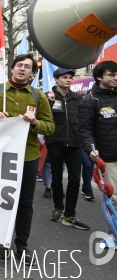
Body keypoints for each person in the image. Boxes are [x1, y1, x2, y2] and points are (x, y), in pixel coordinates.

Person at [0, 53, 54, 265]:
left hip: (28, 156)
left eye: (27, 67)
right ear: (12, 68)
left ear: (32, 73)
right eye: (19, 65)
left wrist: (35, 122)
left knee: (25, 203)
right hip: (0, 157)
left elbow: (50, 126)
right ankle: (2, 241)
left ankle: (22, 245)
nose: (22, 69)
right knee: (2, 200)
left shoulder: (39, 96)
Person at [45, 68, 89, 230]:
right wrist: (48, 102)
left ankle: (69, 214)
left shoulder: (78, 99)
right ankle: (58, 208)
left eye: (70, 77)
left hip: (75, 144)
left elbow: (84, 121)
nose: (69, 80)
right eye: (65, 77)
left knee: (75, 180)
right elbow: (42, 117)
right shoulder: (48, 98)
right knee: (56, 178)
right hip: (56, 142)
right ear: (56, 79)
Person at [79, 60, 117, 222]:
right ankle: (114, 235)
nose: (116, 77)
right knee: (113, 198)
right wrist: (91, 150)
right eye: (112, 75)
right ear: (99, 77)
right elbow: (85, 130)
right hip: (107, 158)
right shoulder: (90, 100)